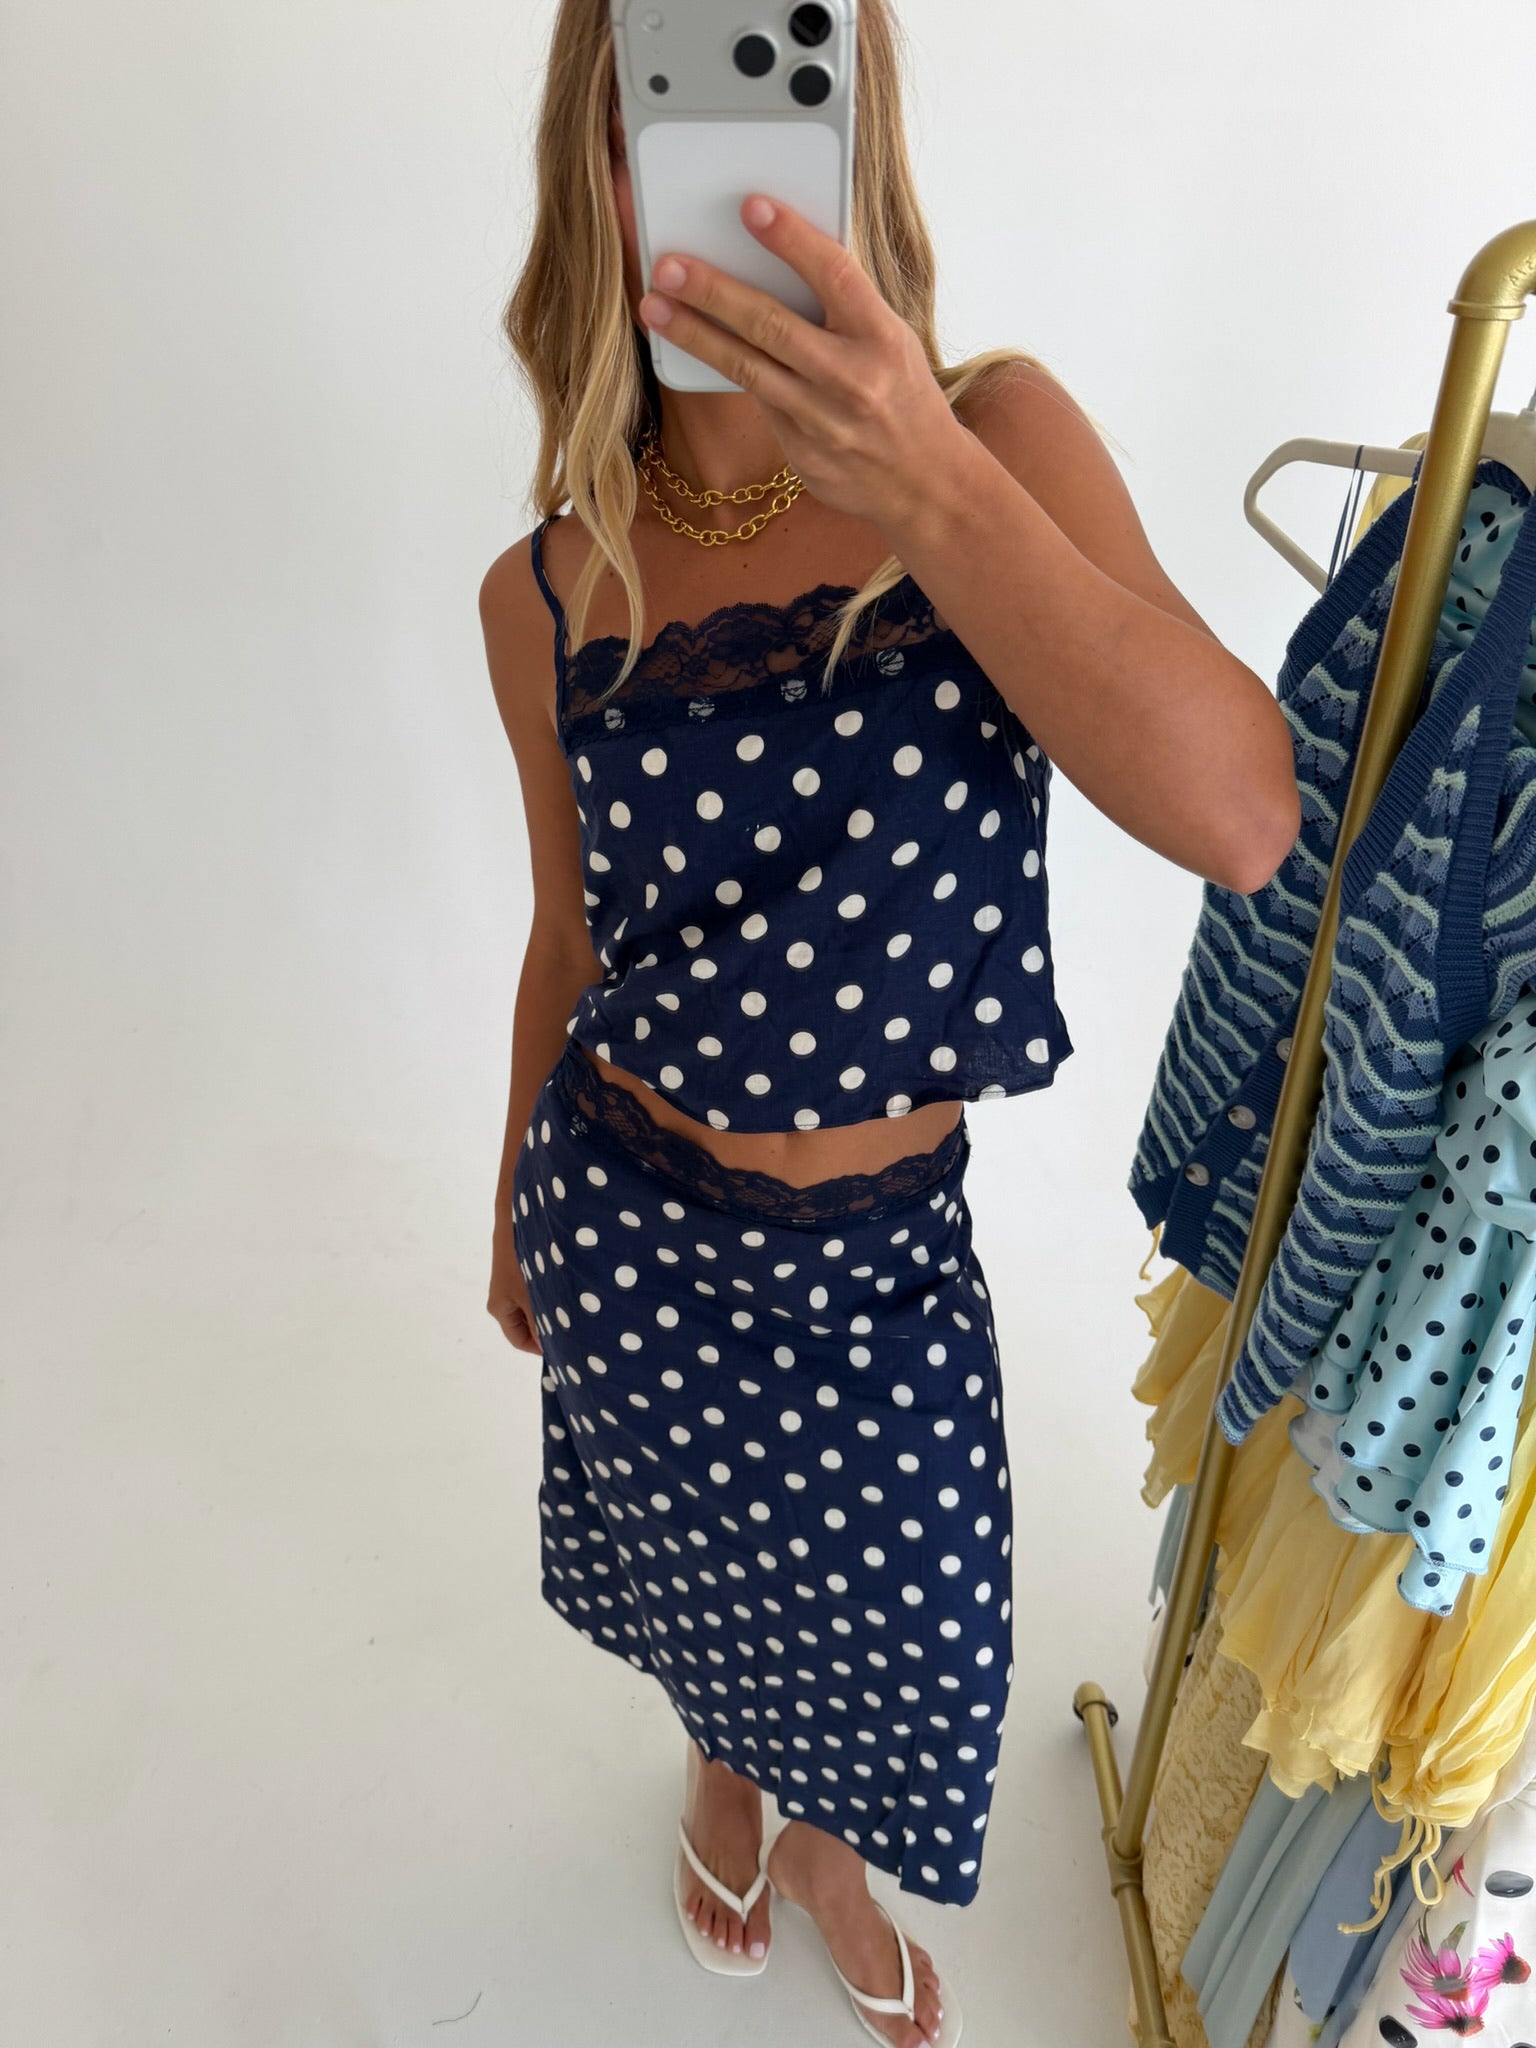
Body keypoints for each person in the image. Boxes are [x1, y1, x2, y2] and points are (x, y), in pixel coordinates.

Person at [478, 3, 1300, 2042]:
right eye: (654, 110)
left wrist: (925, 483)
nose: (715, 157)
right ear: (593, 170)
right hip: (628, 1228)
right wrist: (508, 1208)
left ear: (854, 126)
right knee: (695, 1575)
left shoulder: (992, 439)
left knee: (896, 1635)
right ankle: (722, 1776)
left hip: (876, 1262)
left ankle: (826, 1843)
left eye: (777, 78)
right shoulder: (549, 585)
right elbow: (567, 931)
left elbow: (1240, 813)